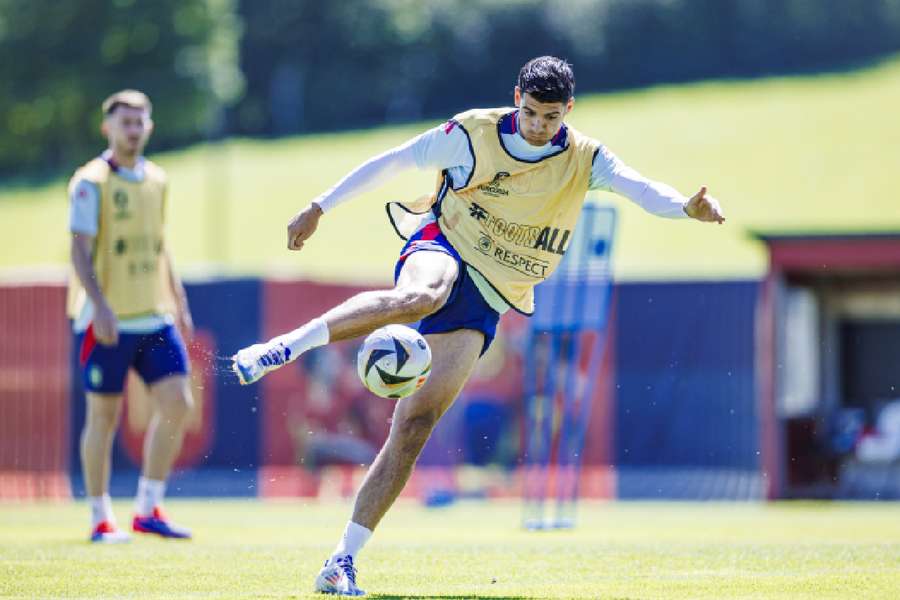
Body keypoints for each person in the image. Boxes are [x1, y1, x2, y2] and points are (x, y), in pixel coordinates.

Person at [233, 56, 724, 595]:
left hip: (490, 296)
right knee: (422, 294)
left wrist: (685, 208)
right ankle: (287, 345)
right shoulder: (472, 132)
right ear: (517, 96)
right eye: (532, 112)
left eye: (552, 116)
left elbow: (639, 187)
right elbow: (394, 161)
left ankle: (340, 562)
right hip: (443, 245)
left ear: (569, 109)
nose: (540, 125)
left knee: (415, 427)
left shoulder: (584, 157)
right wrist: (318, 206)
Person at [68, 90, 195, 543]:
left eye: (140, 121)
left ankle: (148, 508)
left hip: (154, 316)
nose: (134, 129)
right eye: (126, 122)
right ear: (108, 128)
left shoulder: (158, 179)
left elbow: (162, 243)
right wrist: (100, 306)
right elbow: (79, 251)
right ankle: (101, 517)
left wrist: (178, 297)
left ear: (150, 126)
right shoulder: (91, 182)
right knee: (102, 418)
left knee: (179, 404)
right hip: (107, 321)